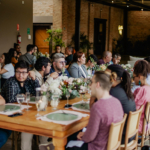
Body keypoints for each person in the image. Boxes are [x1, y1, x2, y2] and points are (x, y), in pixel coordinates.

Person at [66, 71, 124, 150]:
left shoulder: (97, 107)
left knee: (67, 143)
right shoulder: (117, 102)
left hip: (96, 147)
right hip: (110, 145)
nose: (90, 86)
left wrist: (83, 135)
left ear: (97, 84)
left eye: (91, 82)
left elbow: (89, 138)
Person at [106, 64, 136, 144]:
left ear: (113, 77)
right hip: (130, 134)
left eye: (106, 75)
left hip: (119, 137)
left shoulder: (113, 92)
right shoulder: (125, 89)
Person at [133, 60, 150, 133]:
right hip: (147, 124)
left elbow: (134, 111)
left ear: (139, 76)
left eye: (134, 77)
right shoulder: (148, 88)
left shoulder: (141, 90)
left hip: (138, 126)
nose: (133, 80)